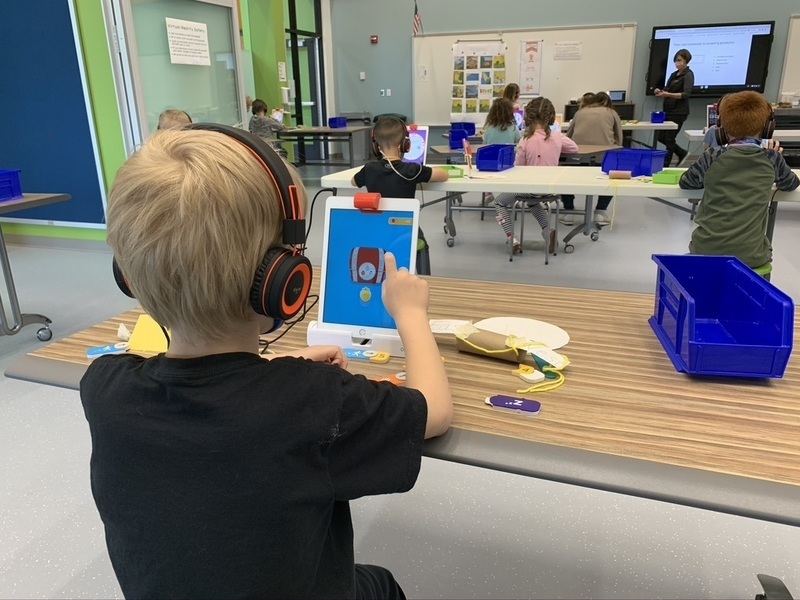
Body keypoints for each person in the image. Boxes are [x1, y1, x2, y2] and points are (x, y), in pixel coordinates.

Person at [80, 126, 452, 598]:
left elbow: (207, 392)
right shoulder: (314, 402)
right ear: (281, 280)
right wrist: (411, 313)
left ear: (129, 277)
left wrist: (274, 366)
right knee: (381, 584)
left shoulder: (103, 388)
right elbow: (433, 412)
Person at [679, 91, 799, 269]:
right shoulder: (772, 158)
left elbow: (686, 182)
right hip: (752, 256)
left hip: (705, 250)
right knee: (764, 247)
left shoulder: (712, 156)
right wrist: (778, 158)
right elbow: (790, 184)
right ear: (767, 128)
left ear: (721, 129)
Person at [351, 116, 449, 275]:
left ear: (376, 147)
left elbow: (354, 181)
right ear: (404, 145)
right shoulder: (412, 170)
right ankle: (425, 279)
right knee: (421, 245)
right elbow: (443, 175)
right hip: (405, 229)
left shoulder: (369, 169)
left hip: (379, 230)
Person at [494, 97, 578, 255]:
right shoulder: (557, 137)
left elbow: (518, 167)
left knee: (499, 202)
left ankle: (511, 237)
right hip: (551, 189)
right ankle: (548, 231)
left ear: (528, 117)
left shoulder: (525, 140)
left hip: (530, 188)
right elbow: (574, 148)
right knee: (533, 202)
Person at [561, 91, 623, 225]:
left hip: (578, 156)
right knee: (610, 181)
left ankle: (568, 212)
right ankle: (600, 212)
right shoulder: (612, 113)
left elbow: (569, 135)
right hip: (604, 157)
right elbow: (619, 139)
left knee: (566, 179)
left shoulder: (580, 112)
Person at [654, 48, 694, 167]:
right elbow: (667, 89)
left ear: (686, 61)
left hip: (679, 111)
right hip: (668, 110)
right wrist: (659, 91)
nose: (677, 63)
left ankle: (666, 164)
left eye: (679, 60)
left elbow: (685, 94)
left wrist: (668, 94)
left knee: (670, 138)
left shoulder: (688, 75)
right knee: (661, 137)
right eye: (676, 60)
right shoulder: (673, 75)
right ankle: (682, 153)